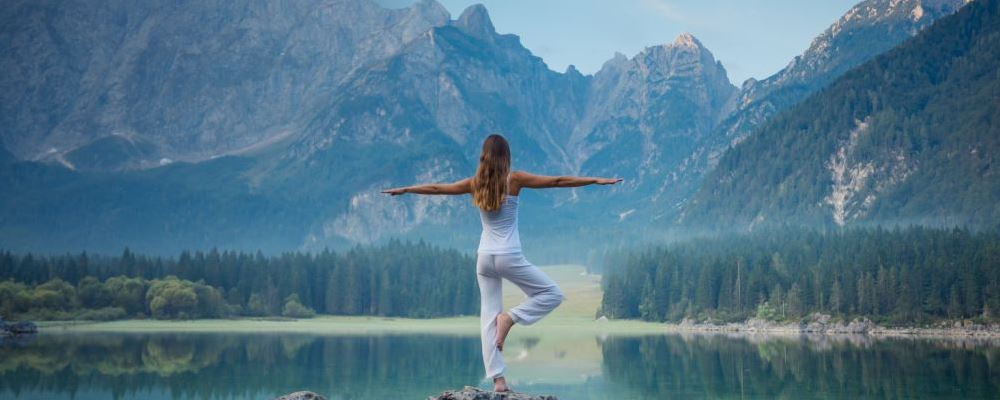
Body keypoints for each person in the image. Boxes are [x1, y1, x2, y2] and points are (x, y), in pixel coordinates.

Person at [382, 134, 621, 392]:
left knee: (488, 317)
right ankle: (510, 319)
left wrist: (406, 189)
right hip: (509, 255)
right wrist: (595, 180)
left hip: (484, 258)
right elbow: (557, 181)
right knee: (551, 293)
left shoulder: (475, 184)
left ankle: (498, 380)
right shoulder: (514, 180)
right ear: (506, 157)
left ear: (483, 157)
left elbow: (439, 189)